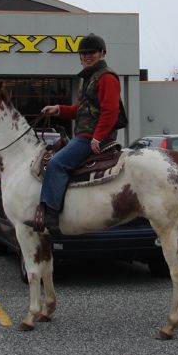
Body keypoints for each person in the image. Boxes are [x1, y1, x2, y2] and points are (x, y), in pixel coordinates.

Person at [36, 33, 125, 231]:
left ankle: (50, 216)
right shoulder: (91, 78)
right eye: (83, 53)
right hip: (85, 135)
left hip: (89, 138)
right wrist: (58, 109)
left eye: (91, 52)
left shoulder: (107, 78)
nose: (87, 56)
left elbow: (111, 112)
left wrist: (98, 137)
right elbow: (82, 110)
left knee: (56, 164)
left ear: (102, 53)